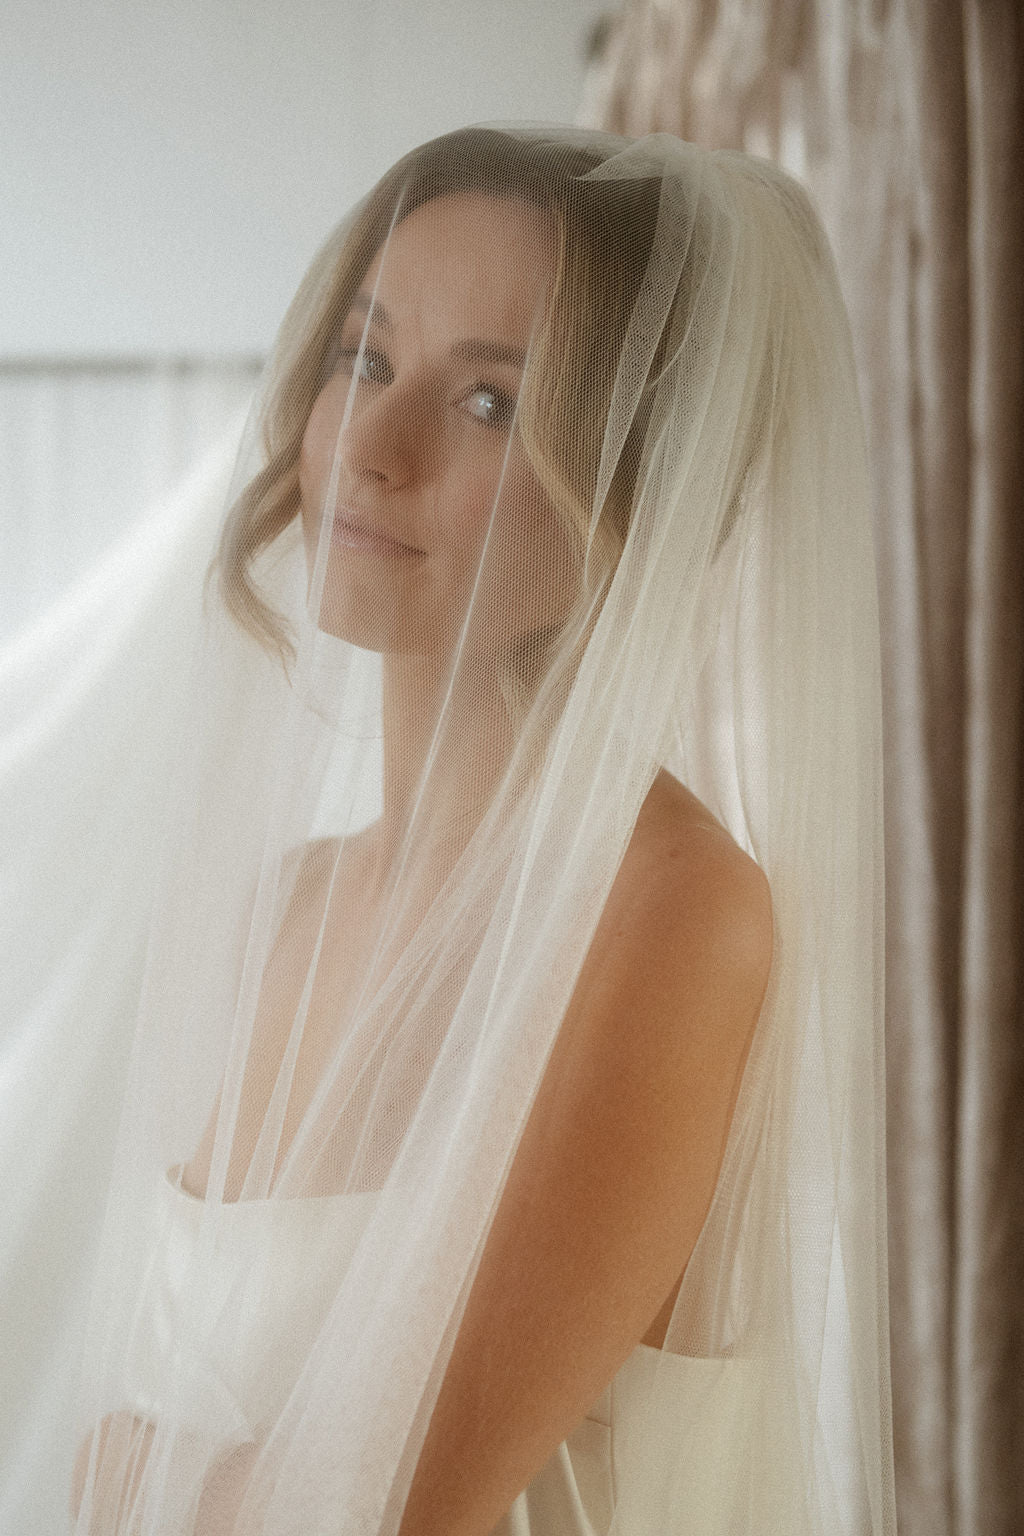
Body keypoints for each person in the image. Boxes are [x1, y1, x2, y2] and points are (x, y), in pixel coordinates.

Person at [49, 124, 890, 1533]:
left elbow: (385, 1508)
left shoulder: (673, 908)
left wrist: (129, 1468)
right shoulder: (286, 909)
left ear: (643, 483)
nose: (370, 450)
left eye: (489, 403)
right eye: (362, 360)